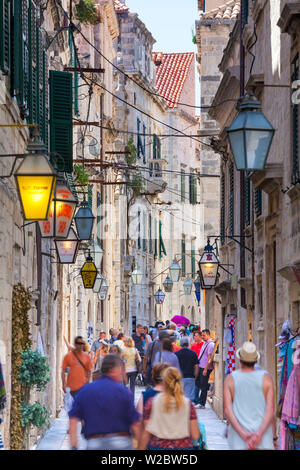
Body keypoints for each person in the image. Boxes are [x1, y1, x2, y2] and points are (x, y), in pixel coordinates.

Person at [69, 354, 142, 450]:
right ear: (112, 370)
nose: (122, 373)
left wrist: (74, 446)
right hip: (121, 443)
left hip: (94, 444)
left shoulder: (85, 391)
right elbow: (135, 423)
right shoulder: (123, 392)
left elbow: (73, 419)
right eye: (120, 369)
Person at [224, 341, 275, 450]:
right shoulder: (266, 379)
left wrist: (243, 435)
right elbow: (270, 410)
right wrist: (259, 435)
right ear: (256, 360)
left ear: (240, 359)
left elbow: (228, 410)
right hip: (263, 437)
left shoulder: (230, 379)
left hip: (238, 438)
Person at [138, 367, 200, 450]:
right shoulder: (187, 404)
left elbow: (147, 430)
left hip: (158, 446)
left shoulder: (153, 402)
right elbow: (195, 435)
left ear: (163, 382)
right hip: (183, 446)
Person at [194, 329, 215, 408]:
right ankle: (199, 401)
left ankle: (202, 403)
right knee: (200, 384)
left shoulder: (210, 344)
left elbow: (209, 358)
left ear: (208, 335)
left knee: (203, 385)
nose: (202, 337)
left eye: (204, 335)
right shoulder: (205, 343)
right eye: (202, 335)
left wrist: (206, 369)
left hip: (205, 368)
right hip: (201, 366)